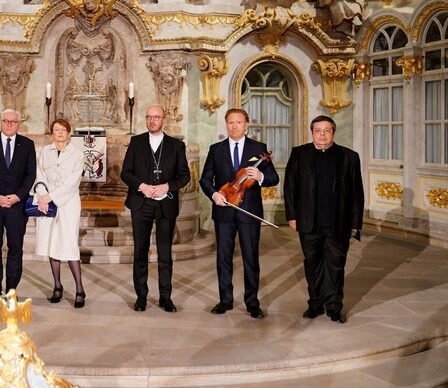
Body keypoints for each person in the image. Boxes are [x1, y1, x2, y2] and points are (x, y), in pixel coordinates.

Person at [199, 108, 279, 319]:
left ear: (246, 125)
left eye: (239, 122)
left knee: (250, 258)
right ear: (226, 125)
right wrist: (214, 194)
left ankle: (252, 302)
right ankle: (225, 300)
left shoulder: (258, 148)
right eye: (230, 123)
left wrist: (261, 175)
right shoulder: (216, 149)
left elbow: (273, 178)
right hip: (224, 210)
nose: (234, 126)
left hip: (249, 212)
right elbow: (205, 179)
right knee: (223, 257)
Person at [284, 115, 364, 324]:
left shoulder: (349, 157)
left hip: (338, 222)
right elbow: (290, 187)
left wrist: (355, 224)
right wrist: (291, 215)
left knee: (335, 266)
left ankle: (334, 307)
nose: (322, 134)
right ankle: (315, 304)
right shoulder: (299, 154)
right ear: (312, 133)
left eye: (326, 130)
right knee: (312, 264)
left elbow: (357, 194)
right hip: (308, 221)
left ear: (333, 133)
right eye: (318, 130)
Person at [120, 105, 190, 312]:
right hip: (141, 203)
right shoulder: (136, 142)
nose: (152, 120)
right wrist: (142, 186)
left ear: (163, 120)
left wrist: (167, 186)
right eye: (149, 117)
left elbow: (185, 176)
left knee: (165, 253)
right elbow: (126, 173)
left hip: (165, 203)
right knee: (140, 252)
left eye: (156, 117)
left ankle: (165, 297)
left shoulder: (176, 146)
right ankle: (141, 296)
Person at [0, 109, 37, 303]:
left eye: (14, 121)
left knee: (15, 248)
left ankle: (11, 289)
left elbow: (30, 175)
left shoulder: (27, 145)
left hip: (16, 207)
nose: (10, 124)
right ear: (0, 121)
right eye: (6, 121)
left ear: (19, 123)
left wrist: (17, 196)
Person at [34, 119, 85, 308]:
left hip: (68, 203)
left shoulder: (77, 154)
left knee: (69, 245)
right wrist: (42, 195)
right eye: (56, 130)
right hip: (46, 202)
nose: (60, 133)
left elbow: (73, 182)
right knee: (52, 244)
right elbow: (40, 175)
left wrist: (51, 197)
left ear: (69, 132)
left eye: (63, 130)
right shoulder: (44, 152)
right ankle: (57, 286)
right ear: (52, 133)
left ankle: (80, 289)